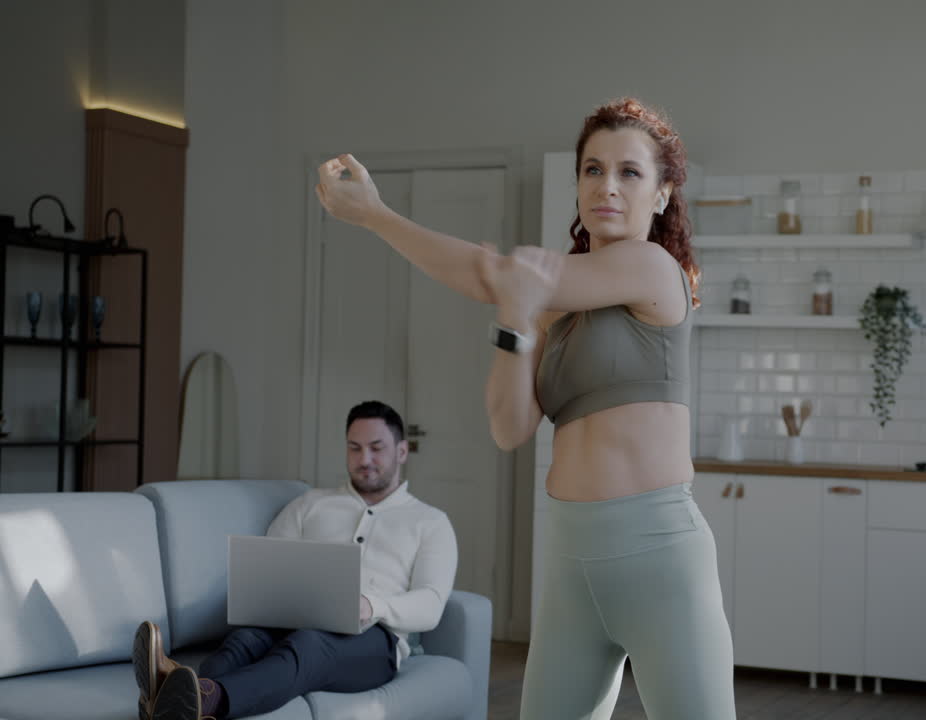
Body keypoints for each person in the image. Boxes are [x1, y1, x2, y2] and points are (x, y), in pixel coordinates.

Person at [315, 97, 736, 719]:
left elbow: (490, 272)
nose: (608, 187)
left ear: (663, 193)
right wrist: (516, 317)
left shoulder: (653, 267)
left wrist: (377, 216)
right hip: (570, 563)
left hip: (659, 558)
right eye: (593, 169)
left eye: (629, 172)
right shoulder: (551, 295)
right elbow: (510, 428)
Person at [132, 401, 458, 720]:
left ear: (401, 451)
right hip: (289, 622)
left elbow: (431, 603)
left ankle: (197, 697)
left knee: (308, 645)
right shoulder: (309, 504)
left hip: (375, 641)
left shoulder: (429, 522)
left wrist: (373, 606)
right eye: (354, 448)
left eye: (376, 448)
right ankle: (179, 703)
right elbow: (268, 570)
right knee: (243, 641)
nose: (365, 459)